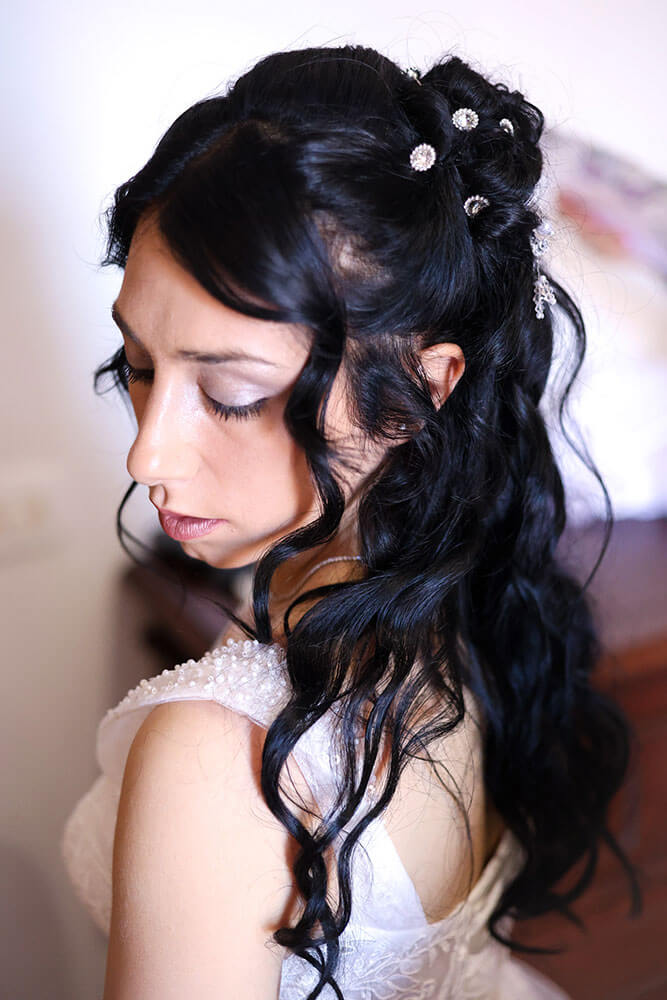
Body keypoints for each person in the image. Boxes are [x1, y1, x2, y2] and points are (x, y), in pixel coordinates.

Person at [61, 44, 641, 999]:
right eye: (140, 366)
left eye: (234, 396)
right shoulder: (468, 593)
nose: (146, 457)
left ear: (418, 390)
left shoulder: (219, 756)